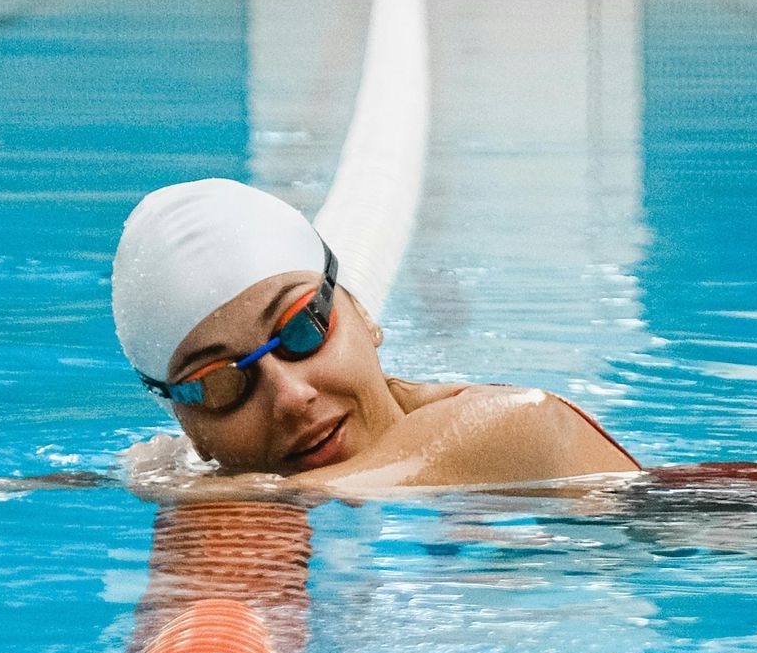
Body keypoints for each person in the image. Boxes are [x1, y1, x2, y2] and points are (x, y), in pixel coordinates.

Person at [112, 178, 639, 493]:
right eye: (223, 384)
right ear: (190, 425)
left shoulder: (511, 425)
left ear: (361, 312)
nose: (292, 397)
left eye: (302, 330)